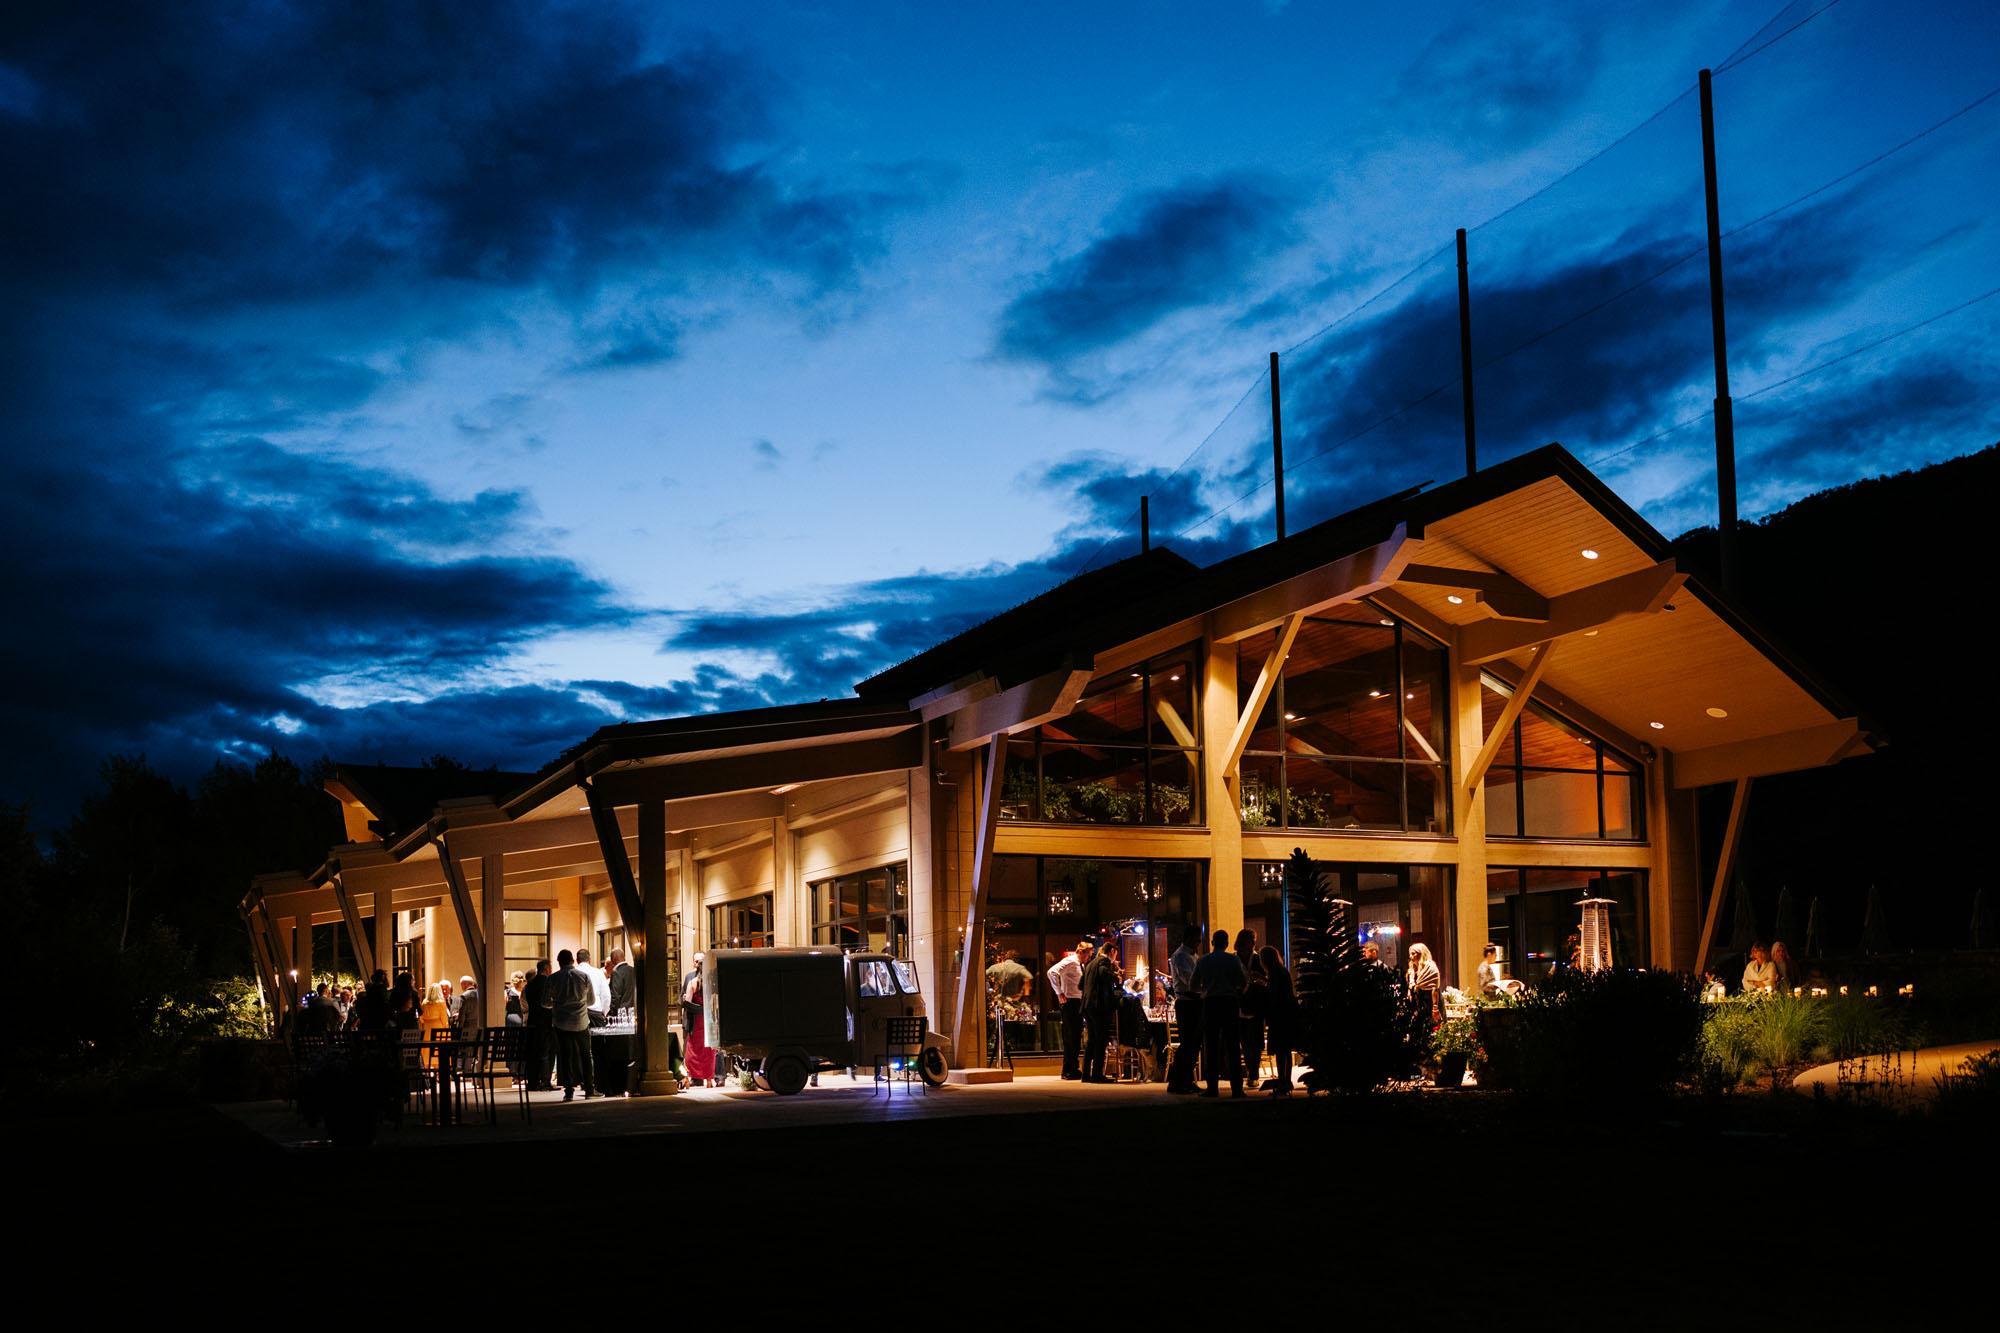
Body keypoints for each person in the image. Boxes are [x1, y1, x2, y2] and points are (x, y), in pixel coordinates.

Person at [1192, 929, 1247, 1097]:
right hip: (1229, 1003)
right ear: (1227, 943)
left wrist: (1205, 990)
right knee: (1233, 1046)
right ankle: (1237, 1088)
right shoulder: (1233, 959)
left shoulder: (1203, 960)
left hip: (1211, 1003)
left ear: (1212, 943)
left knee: (1211, 1046)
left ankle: (1212, 1088)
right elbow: (1243, 981)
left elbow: (1193, 985)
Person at [549, 949, 598, 1101]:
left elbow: (544, 1002)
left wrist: (557, 1003)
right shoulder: (584, 976)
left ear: (559, 962)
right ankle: (589, 1089)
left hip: (561, 1022)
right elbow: (591, 1001)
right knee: (586, 1055)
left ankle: (569, 1091)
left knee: (565, 1056)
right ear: (572, 960)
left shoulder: (553, 978)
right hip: (581, 1021)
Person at [1046, 941, 1094, 1080]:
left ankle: (1073, 1068)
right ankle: (1068, 1070)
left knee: (1075, 1036)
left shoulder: (1079, 964)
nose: (1089, 958)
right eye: (1088, 955)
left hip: (1077, 1002)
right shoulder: (1070, 961)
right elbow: (1051, 972)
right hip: (1070, 1002)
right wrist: (1059, 992)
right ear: (1081, 952)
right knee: (1071, 1037)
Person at [1167, 924, 1203, 1094]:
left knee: (1193, 1045)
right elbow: (1189, 981)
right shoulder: (1180, 956)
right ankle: (1177, 1082)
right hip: (1187, 1002)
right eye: (1197, 940)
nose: (1199, 943)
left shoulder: (1193, 955)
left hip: (1194, 1002)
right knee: (1188, 1044)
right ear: (1189, 938)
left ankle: (1186, 1080)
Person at [1081, 942, 1123, 1083]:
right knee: (1101, 1040)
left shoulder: (1090, 963)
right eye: (1115, 954)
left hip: (1087, 1005)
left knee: (1092, 1040)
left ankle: (1086, 1074)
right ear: (1112, 952)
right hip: (1098, 1006)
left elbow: (1080, 985)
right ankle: (1097, 1075)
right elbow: (1103, 974)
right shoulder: (1104, 962)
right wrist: (1117, 979)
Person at [1259, 945, 1297, 1096]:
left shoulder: (1275, 973)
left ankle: (1283, 1082)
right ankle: (1286, 1081)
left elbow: (1274, 994)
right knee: (1285, 1049)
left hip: (1279, 1016)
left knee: (1281, 1050)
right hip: (1287, 1014)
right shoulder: (1281, 971)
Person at [1235, 928, 1267, 1088]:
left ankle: (1253, 1074)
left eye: (1254, 940)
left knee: (1256, 1042)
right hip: (1238, 1005)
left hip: (1256, 1005)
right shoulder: (1234, 959)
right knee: (1245, 1042)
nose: (1253, 943)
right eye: (1251, 940)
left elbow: (1266, 980)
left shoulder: (1257, 959)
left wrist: (1260, 980)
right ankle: (1250, 1073)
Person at [683, 960, 717, 1088]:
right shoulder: (712, 983)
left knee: (693, 1050)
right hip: (709, 1021)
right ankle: (708, 1080)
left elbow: (687, 1003)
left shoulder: (692, 983)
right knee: (708, 1051)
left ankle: (689, 1077)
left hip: (696, 1021)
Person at [521, 959, 554, 1090]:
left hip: (532, 1020)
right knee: (546, 1052)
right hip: (546, 1021)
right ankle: (545, 1081)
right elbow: (550, 1001)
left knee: (533, 1052)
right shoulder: (548, 982)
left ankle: (533, 1081)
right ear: (546, 968)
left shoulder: (529, 985)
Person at [1406, 942, 1442, 1028]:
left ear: (1421, 954)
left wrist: (1435, 1008)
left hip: (1429, 1001)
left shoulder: (1430, 967)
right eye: (1410, 954)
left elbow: (1434, 988)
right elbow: (1411, 985)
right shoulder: (1412, 969)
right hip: (1418, 1002)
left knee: (1433, 1027)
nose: (1411, 956)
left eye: (1413, 954)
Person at [418, 983, 452, 1068]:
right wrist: (447, 1029)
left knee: (428, 1050)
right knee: (439, 1051)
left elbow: (421, 1018)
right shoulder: (441, 1003)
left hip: (427, 1029)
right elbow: (444, 1019)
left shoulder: (424, 1003)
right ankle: (438, 1071)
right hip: (438, 1029)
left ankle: (427, 1070)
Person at [574, 950, 610, 1027]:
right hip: (595, 1013)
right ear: (589, 959)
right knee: (598, 1035)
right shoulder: (598, 972)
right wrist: (604, 1012)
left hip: (577, 1014)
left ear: (577, 960)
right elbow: (606, 996)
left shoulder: (572, 974)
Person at [607, 949, 635, 1019]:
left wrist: (612, 1013)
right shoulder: (633, 970)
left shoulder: (616, 972)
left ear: (613, 959)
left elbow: (615, 996)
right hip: (633, 1012)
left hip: (621, 1013)